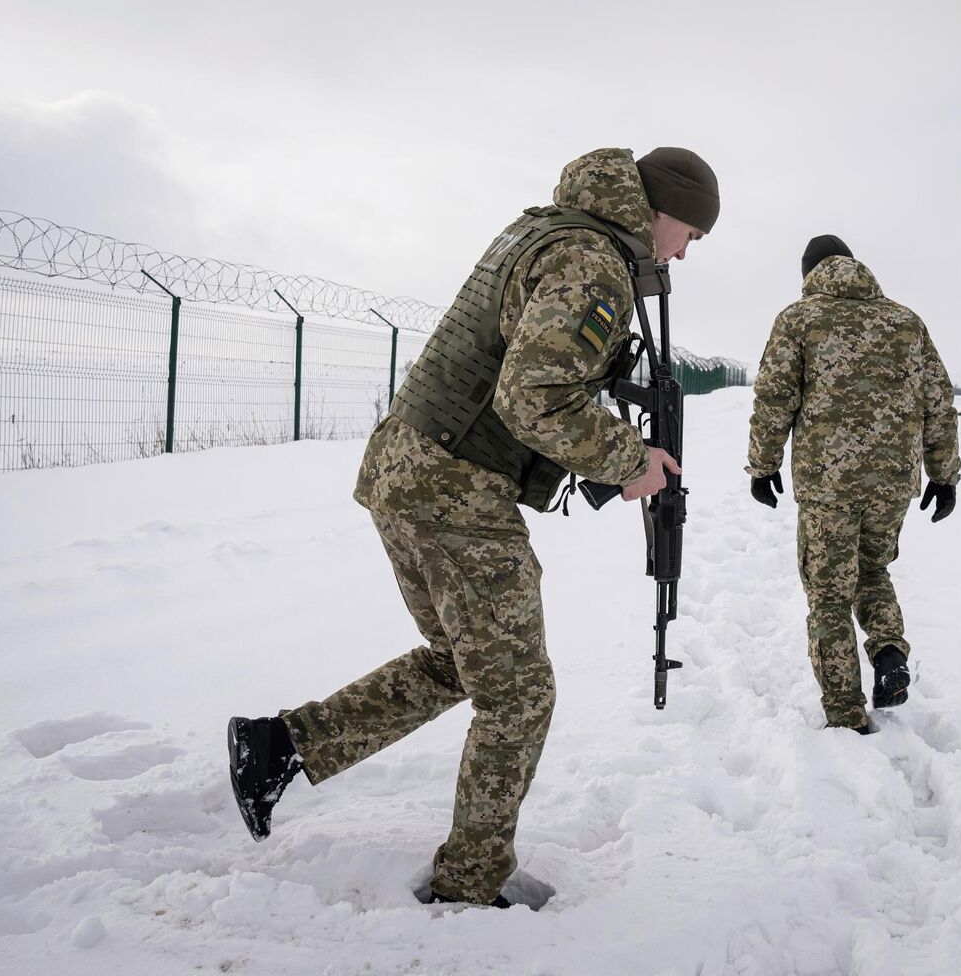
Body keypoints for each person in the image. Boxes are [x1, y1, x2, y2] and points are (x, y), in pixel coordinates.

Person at [225, 146, 718, 909]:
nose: (686, 250)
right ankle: (469, 885)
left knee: (464, 664)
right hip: (452, 489)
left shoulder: (552, 231)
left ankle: (278, 748)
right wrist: (628, 460)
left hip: (412, 471)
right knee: (519, 693)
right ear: (662, 208)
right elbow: (534, 397)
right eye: (690, 231)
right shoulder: (593, 262)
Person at [745, 234, 960, 733]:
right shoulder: (906, 322)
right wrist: (943, 475)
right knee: (872, 571)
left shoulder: (799, 319)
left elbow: (773, 399)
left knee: (828, 597)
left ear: (809, 274)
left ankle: (845, 713)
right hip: (892, 484)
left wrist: (762, 465)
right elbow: (938, 403)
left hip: (828, 485)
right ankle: (888, 653)